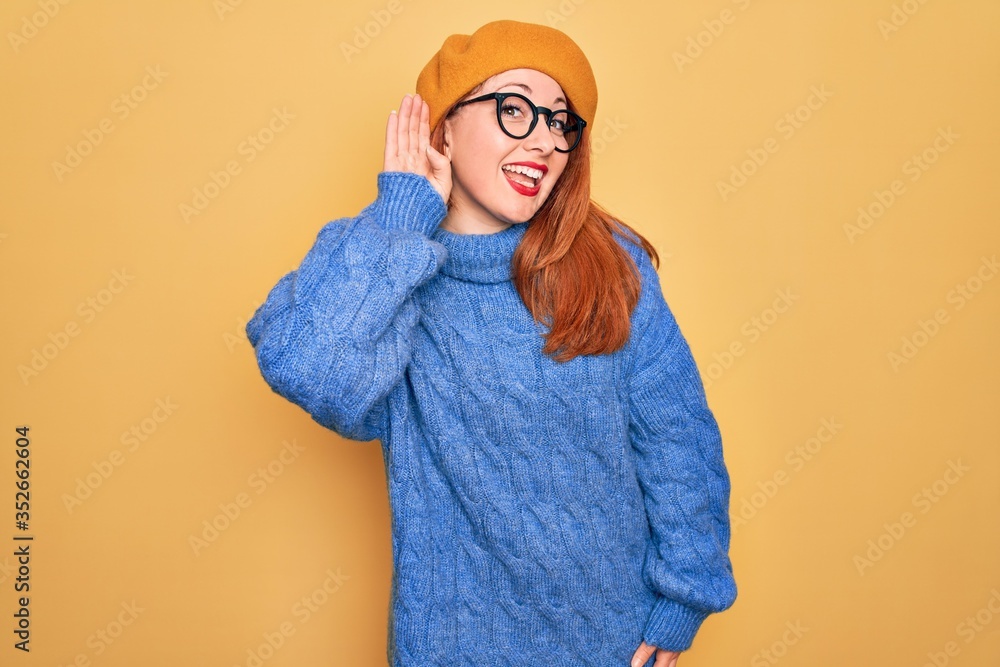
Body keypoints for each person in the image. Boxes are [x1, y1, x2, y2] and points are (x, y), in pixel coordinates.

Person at [246, 18, 737, 667]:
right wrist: (401, 215)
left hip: (612, 645)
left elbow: (678, 438)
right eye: (515, 109)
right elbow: (310, 368)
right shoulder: (385, 265)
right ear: (443, 126)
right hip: (448, 646)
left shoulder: (608, 265)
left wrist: (685, 596)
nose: (544, 142)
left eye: (561, 123)